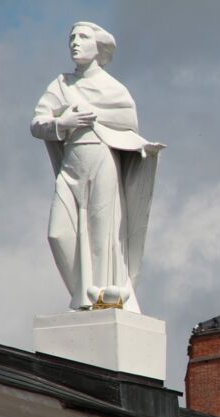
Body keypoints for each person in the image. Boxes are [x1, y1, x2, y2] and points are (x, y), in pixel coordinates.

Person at [31, 22, 165, 312]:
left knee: (102, 234)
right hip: (71, 165)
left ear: (99, 46)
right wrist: (61, 123)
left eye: (82, 37)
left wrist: (143, 146)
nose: (74, 42)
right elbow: (37, 124)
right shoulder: (61, 85)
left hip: (102, 159)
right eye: (71, 38)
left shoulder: (114, 89)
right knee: (58, 234)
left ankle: (102, 298)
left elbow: (128, 124)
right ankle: (82, 293)